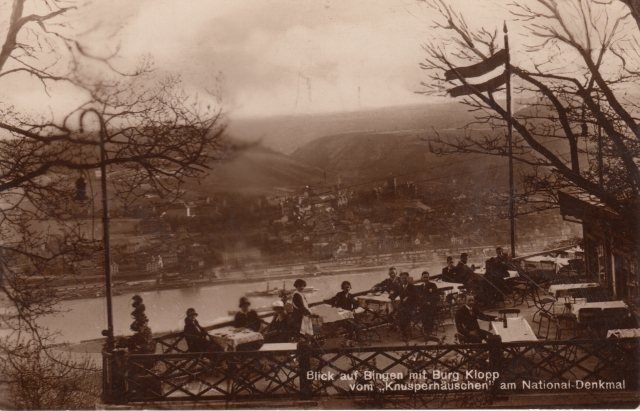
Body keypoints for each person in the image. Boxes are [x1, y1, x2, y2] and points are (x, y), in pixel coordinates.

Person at [389, 272, 418, 337]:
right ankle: (401, 328)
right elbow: (394, 295)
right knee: (392, 313)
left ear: (408, 278)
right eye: (402, 278)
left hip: (411, 308)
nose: (404, 280)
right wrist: (391, 296)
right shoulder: (399, 287)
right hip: (402, 307)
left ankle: (402, 331)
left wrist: (408, 297)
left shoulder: (412, 287)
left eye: (405, 278)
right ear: (400, 279)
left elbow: (416, 296)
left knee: (402, 315)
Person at [418, 271, 439, 337]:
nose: (426, 279)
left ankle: (429, 330)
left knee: (429, 314)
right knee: (423, 313)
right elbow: (419, 297)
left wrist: (430, 302)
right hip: (423, 305)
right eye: (424, 277)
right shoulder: (420, 287)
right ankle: (425, 329)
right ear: (422, 278)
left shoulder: (433, 285)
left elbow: (435, 296)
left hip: (431, 304)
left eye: (427, 277)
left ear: (429, 278)